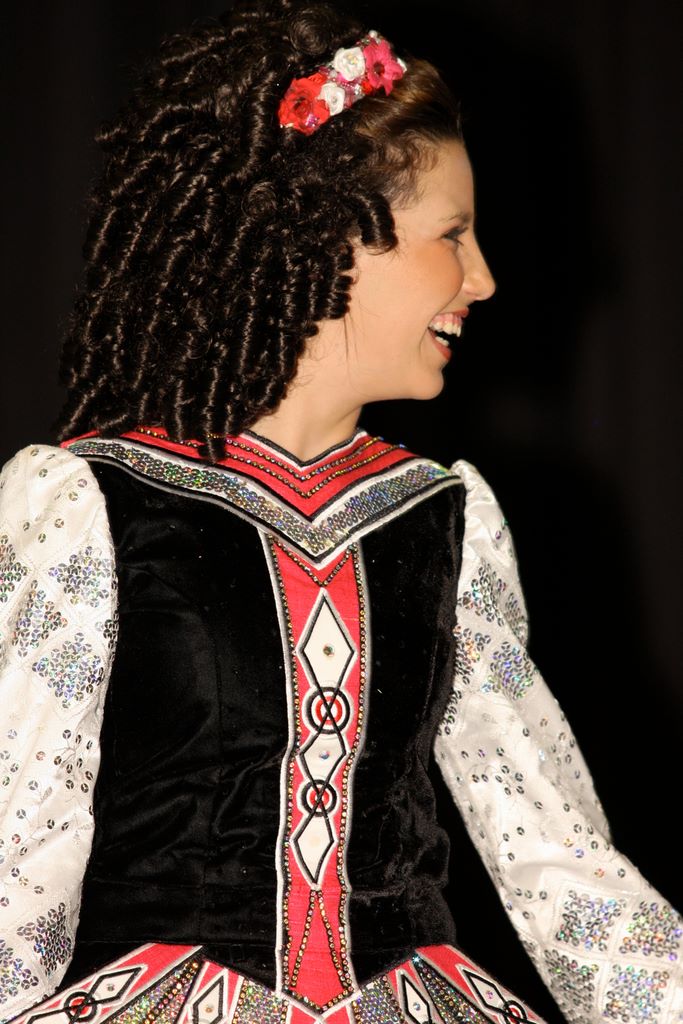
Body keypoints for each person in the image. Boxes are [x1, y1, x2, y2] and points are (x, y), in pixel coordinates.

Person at [0, 2, 680, 1022]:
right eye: (451, 235)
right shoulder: (86, 508)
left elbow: (559, 863)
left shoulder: (441, 520)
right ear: (330, 239)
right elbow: (17, 860)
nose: (483, 279)